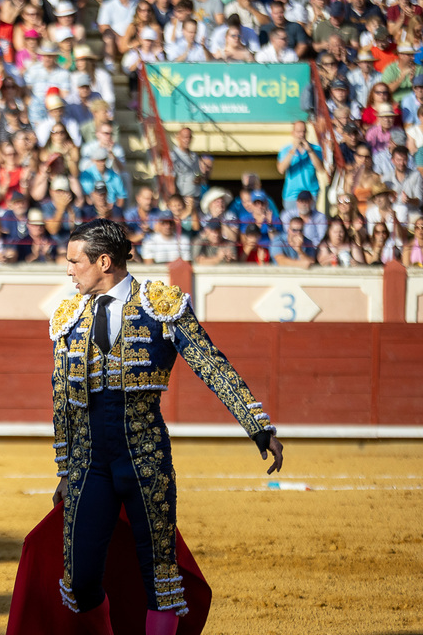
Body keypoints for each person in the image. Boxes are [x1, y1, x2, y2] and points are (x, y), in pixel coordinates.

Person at [50, 219, 282, 633]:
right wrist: (65, 471)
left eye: (74, 261)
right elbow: (62, 401)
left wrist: (257, 424)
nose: (68, 270)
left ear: (104, 261)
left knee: (162, 579)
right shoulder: (69, 316)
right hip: (89, 464)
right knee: (80, 580)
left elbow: (209, 362)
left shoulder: (161, 303)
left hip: (145, 457)